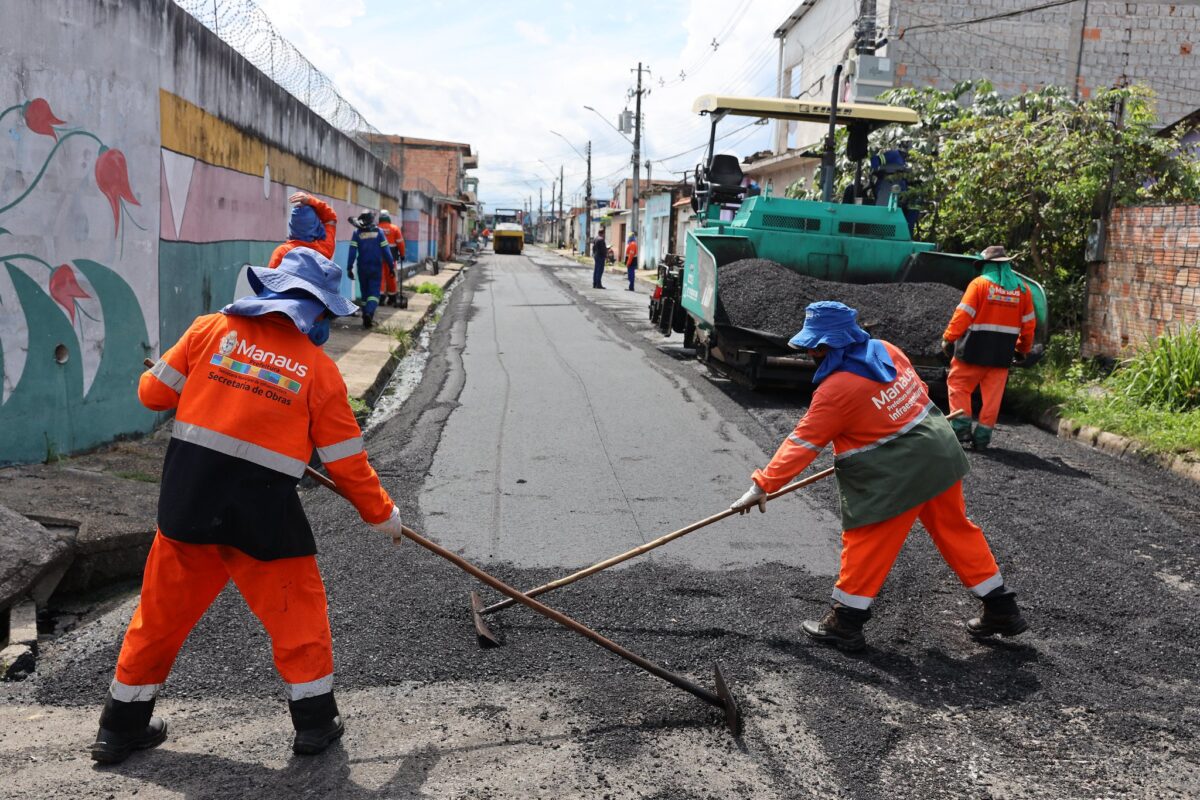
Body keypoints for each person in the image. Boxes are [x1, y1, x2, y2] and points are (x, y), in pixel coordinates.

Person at [90, 249, 406, 765]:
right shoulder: (319, 372)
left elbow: (151, 394)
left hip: (187, 508)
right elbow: (347, 464)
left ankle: (118, 730)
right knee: (298, 618)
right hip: (262, 520)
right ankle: (315, 725)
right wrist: (382, 516)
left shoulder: (207, 330)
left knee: (158, 619)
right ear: (316, 312)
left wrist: (203, 378)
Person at [730, 301, 1027, 652]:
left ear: (829, 345)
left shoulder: (835, 390)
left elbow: (801, 444)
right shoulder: (886, 349)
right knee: (955, 528)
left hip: (900, 472)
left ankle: (846, 622)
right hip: (939, 452)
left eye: (815, 346)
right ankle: (1001, 608)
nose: (810, 352)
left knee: (867, 538)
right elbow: (917, 391)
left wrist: (761, 486)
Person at [941, 246, 1037, 450]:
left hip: (972, 349)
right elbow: (1029, 324)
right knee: (993, 396)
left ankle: (961, 428)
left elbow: (963, 314)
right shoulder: (1023, 290)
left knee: (958, 385)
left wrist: (949, 337)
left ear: (987, 265)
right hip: (1002, 353)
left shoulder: (979, 285)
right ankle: (983, 437)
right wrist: (1022, 349)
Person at [346, 211, 395, 329]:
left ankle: (365, 317)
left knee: (364, 294)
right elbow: (386, 252)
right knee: (374, 294)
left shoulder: (357, 232)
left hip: (362, 267)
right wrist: (391, 266)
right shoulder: (379, 232)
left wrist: (349, 267)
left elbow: (352, 252)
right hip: (376, 267)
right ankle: (368, 313)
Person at [268, 192, 337, 268]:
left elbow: (271, 278)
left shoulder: (282, 252)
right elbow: (331, 219)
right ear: (316, 226)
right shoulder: (324, 250)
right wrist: (310, 200)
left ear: (292, 225)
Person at [377, 210, 407, 308]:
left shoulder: (376, 228)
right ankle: (392, 297)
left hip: (378, 257)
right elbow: (400, 243)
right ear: (389, 217)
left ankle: (380, 297)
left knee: (380, 277)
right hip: (391, 258)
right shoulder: (395, 228)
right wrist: (402, 255)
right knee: (391, 276)